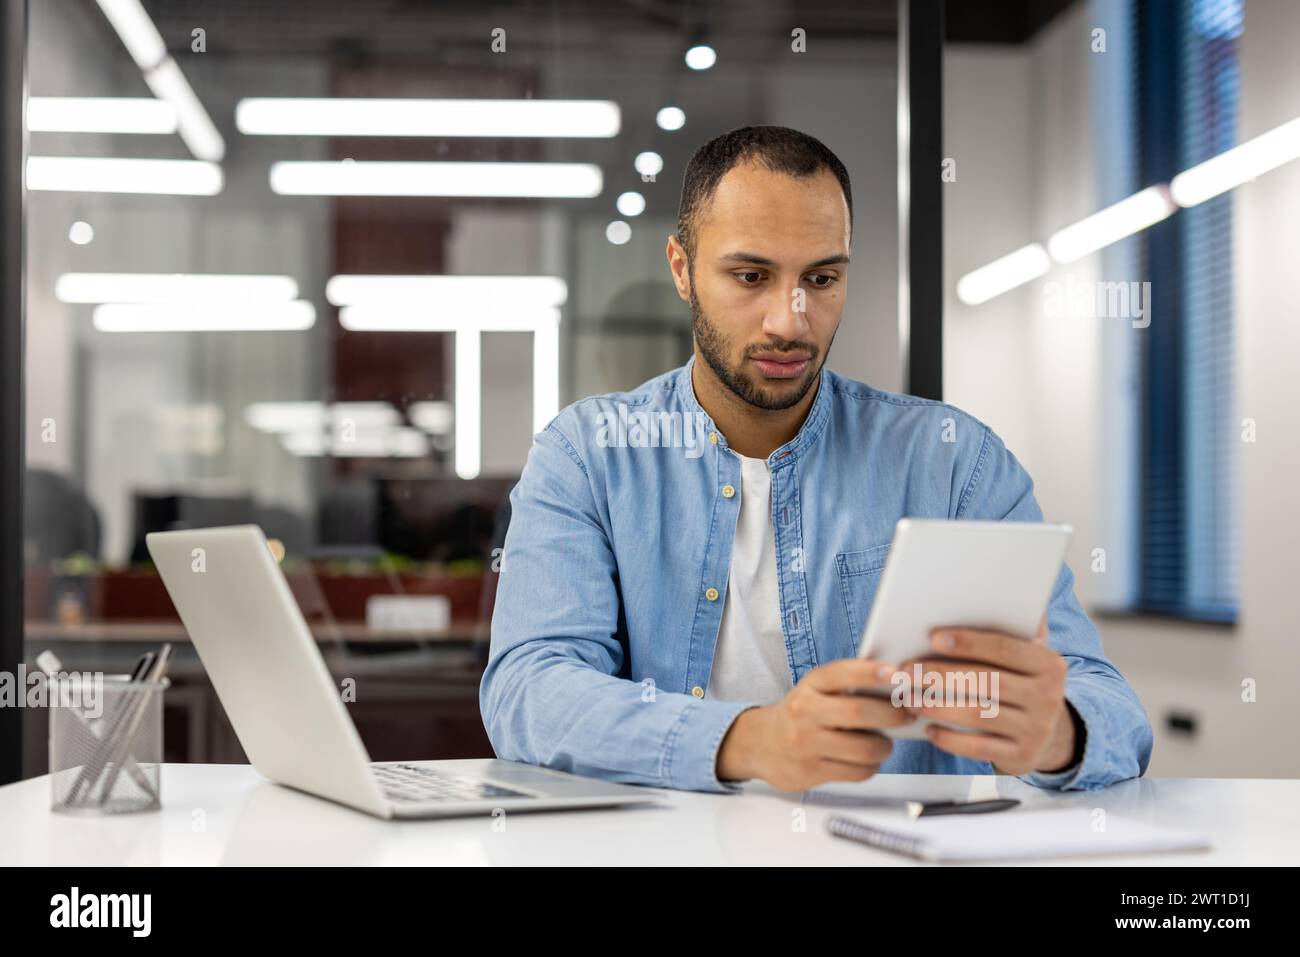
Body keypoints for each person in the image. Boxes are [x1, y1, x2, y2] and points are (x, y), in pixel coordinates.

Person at [480, 125, 1152, 793]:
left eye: (821, 278)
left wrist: (1059, 735)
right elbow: (529, 688)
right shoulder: (588, 456)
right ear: (682, 269)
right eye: (751, 276)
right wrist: (751, 740)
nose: (790, 321)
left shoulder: (954, 462)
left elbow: (1112, 709)